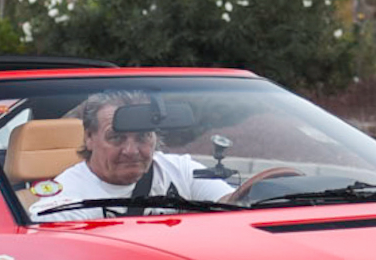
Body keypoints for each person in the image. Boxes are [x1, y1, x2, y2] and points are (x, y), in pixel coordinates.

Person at [26, 88, 237, 215]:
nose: (131, 150)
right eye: (116, 137)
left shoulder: (180, 170)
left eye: (143, 136)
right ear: (89, 137)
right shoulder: (62, 204)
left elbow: (234, 207)